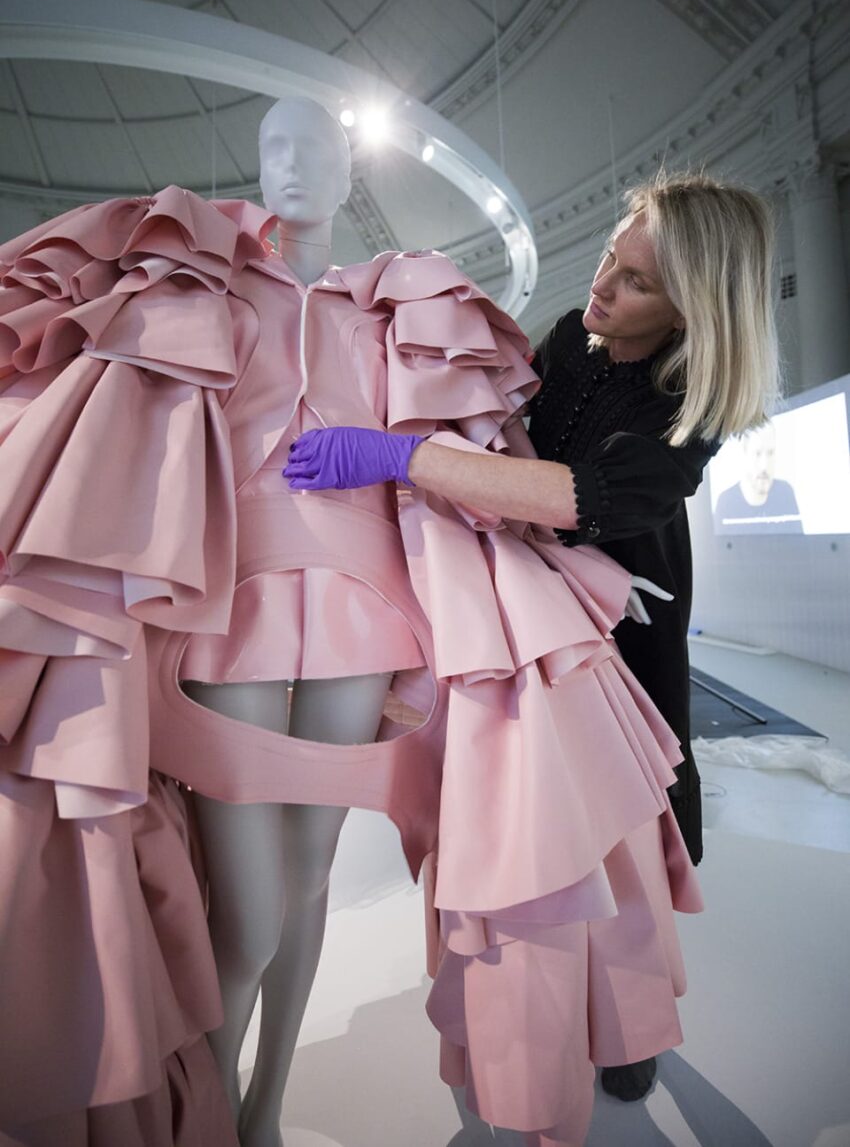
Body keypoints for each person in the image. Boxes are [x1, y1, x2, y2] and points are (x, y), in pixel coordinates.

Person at [0, 110, 703, 1147]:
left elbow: (495, 460)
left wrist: (566, 552)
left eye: (318, 147)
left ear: (348, 170)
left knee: (310, 875)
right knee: (248, 906)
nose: (293, 165)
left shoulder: (395, 303)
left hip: (359, 612)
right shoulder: (197, 276)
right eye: (275, 146)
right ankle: (216, 1120)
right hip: (228, 604)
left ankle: (266, 1106)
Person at [284, 170, 780, 1102]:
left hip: (625, 631)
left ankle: (628, 1019)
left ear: (689, 311)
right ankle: (540, 1004)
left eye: (634, 283)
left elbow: (573, 496)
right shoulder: (574, 338)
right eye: (608, 258)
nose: (601, 286)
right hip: (536, 607)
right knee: (538, 819)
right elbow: (513, 445)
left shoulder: (688, 406)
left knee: (627, 827)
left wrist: (406, 455)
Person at [714, 420, 802, 533]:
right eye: (757, 454)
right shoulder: (726, 502)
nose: (764, 466)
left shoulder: (785, 493)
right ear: (745, 455)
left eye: (770, 453)